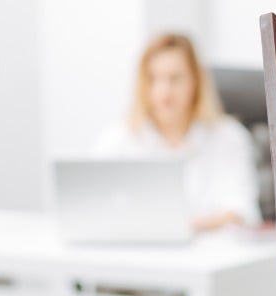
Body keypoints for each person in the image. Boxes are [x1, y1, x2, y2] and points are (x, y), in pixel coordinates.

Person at [96, 33, 261, 231]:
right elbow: (97, 207)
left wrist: (180, 228)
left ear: (195, 82)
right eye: (153, 79)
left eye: (175, 79)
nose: (164, 90)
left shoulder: (229, 136)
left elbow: (241, 212)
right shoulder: (118, 139)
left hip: (210, 254)